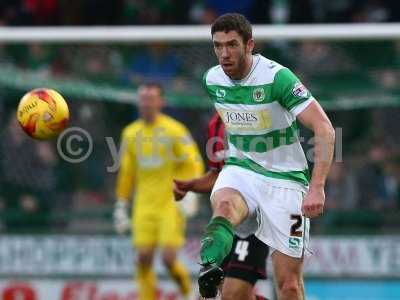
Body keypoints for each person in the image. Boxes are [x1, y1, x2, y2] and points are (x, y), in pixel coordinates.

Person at [198, 13, 335, 300]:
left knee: (288, 285)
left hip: (286, 181)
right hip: (242, 170)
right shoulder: (212, 79)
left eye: (232, 45)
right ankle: (209, 266)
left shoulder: (277, 78)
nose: (224, 54)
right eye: (217, 46)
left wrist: (317, 186)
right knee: (223, 205)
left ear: (249, 45)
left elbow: (324, 127)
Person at [113, 83, 204, 300]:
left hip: (170, 203)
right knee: (143, 257)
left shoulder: (175, 130)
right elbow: (127, 172)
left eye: (151, 98)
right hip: (143, 204)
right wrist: (121, 203)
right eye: (142, 98)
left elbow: (193, 161)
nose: (146, 103)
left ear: (161, 102)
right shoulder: (130, 133)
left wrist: (190, 192)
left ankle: (187, 292)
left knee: (168, 258)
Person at [174, 112, 269, 300]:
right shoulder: (215, 124)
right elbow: (217, 175)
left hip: (254, 225)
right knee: (219, 295)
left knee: (232, 294)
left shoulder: (261, 115)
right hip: (224, 226)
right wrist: (190, 185)